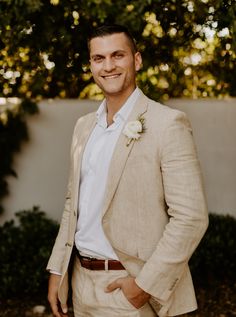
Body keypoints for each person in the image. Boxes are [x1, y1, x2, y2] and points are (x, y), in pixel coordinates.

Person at [47, 24, 208, 317]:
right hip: (81, 283)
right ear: (91, 65)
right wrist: (58, 268)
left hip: (129, 288)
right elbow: (73, 205)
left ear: (136, 60)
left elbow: (191, 217)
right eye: (99, 58)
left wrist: (144, 285)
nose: (108, 66)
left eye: (117, 55)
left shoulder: (168, 124)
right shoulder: (84, 127)